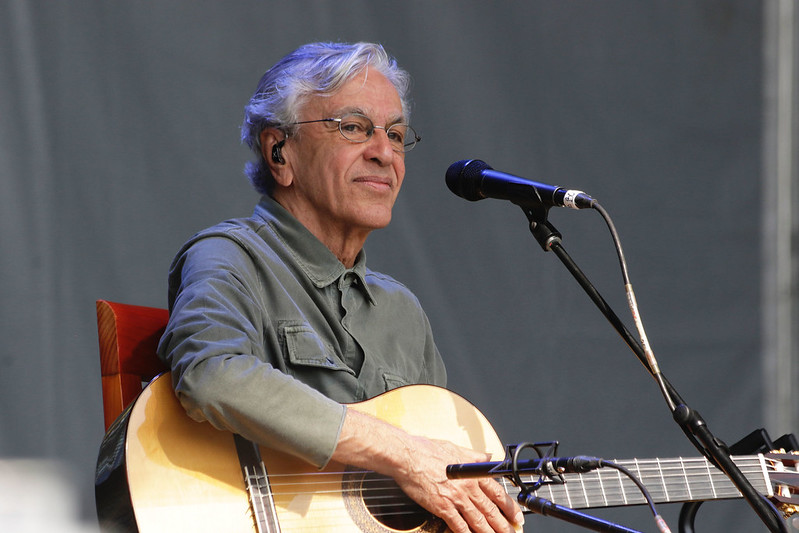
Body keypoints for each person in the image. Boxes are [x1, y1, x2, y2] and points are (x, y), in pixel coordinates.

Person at [157, 41, 524, 533]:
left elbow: (435, 475)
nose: (383, 153)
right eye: (353, 127)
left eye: (395, 134)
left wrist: (470, 507)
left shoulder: (402, 311)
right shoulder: (229, 256)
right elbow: (210, 374)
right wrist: (401, 451)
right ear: (279, 152)